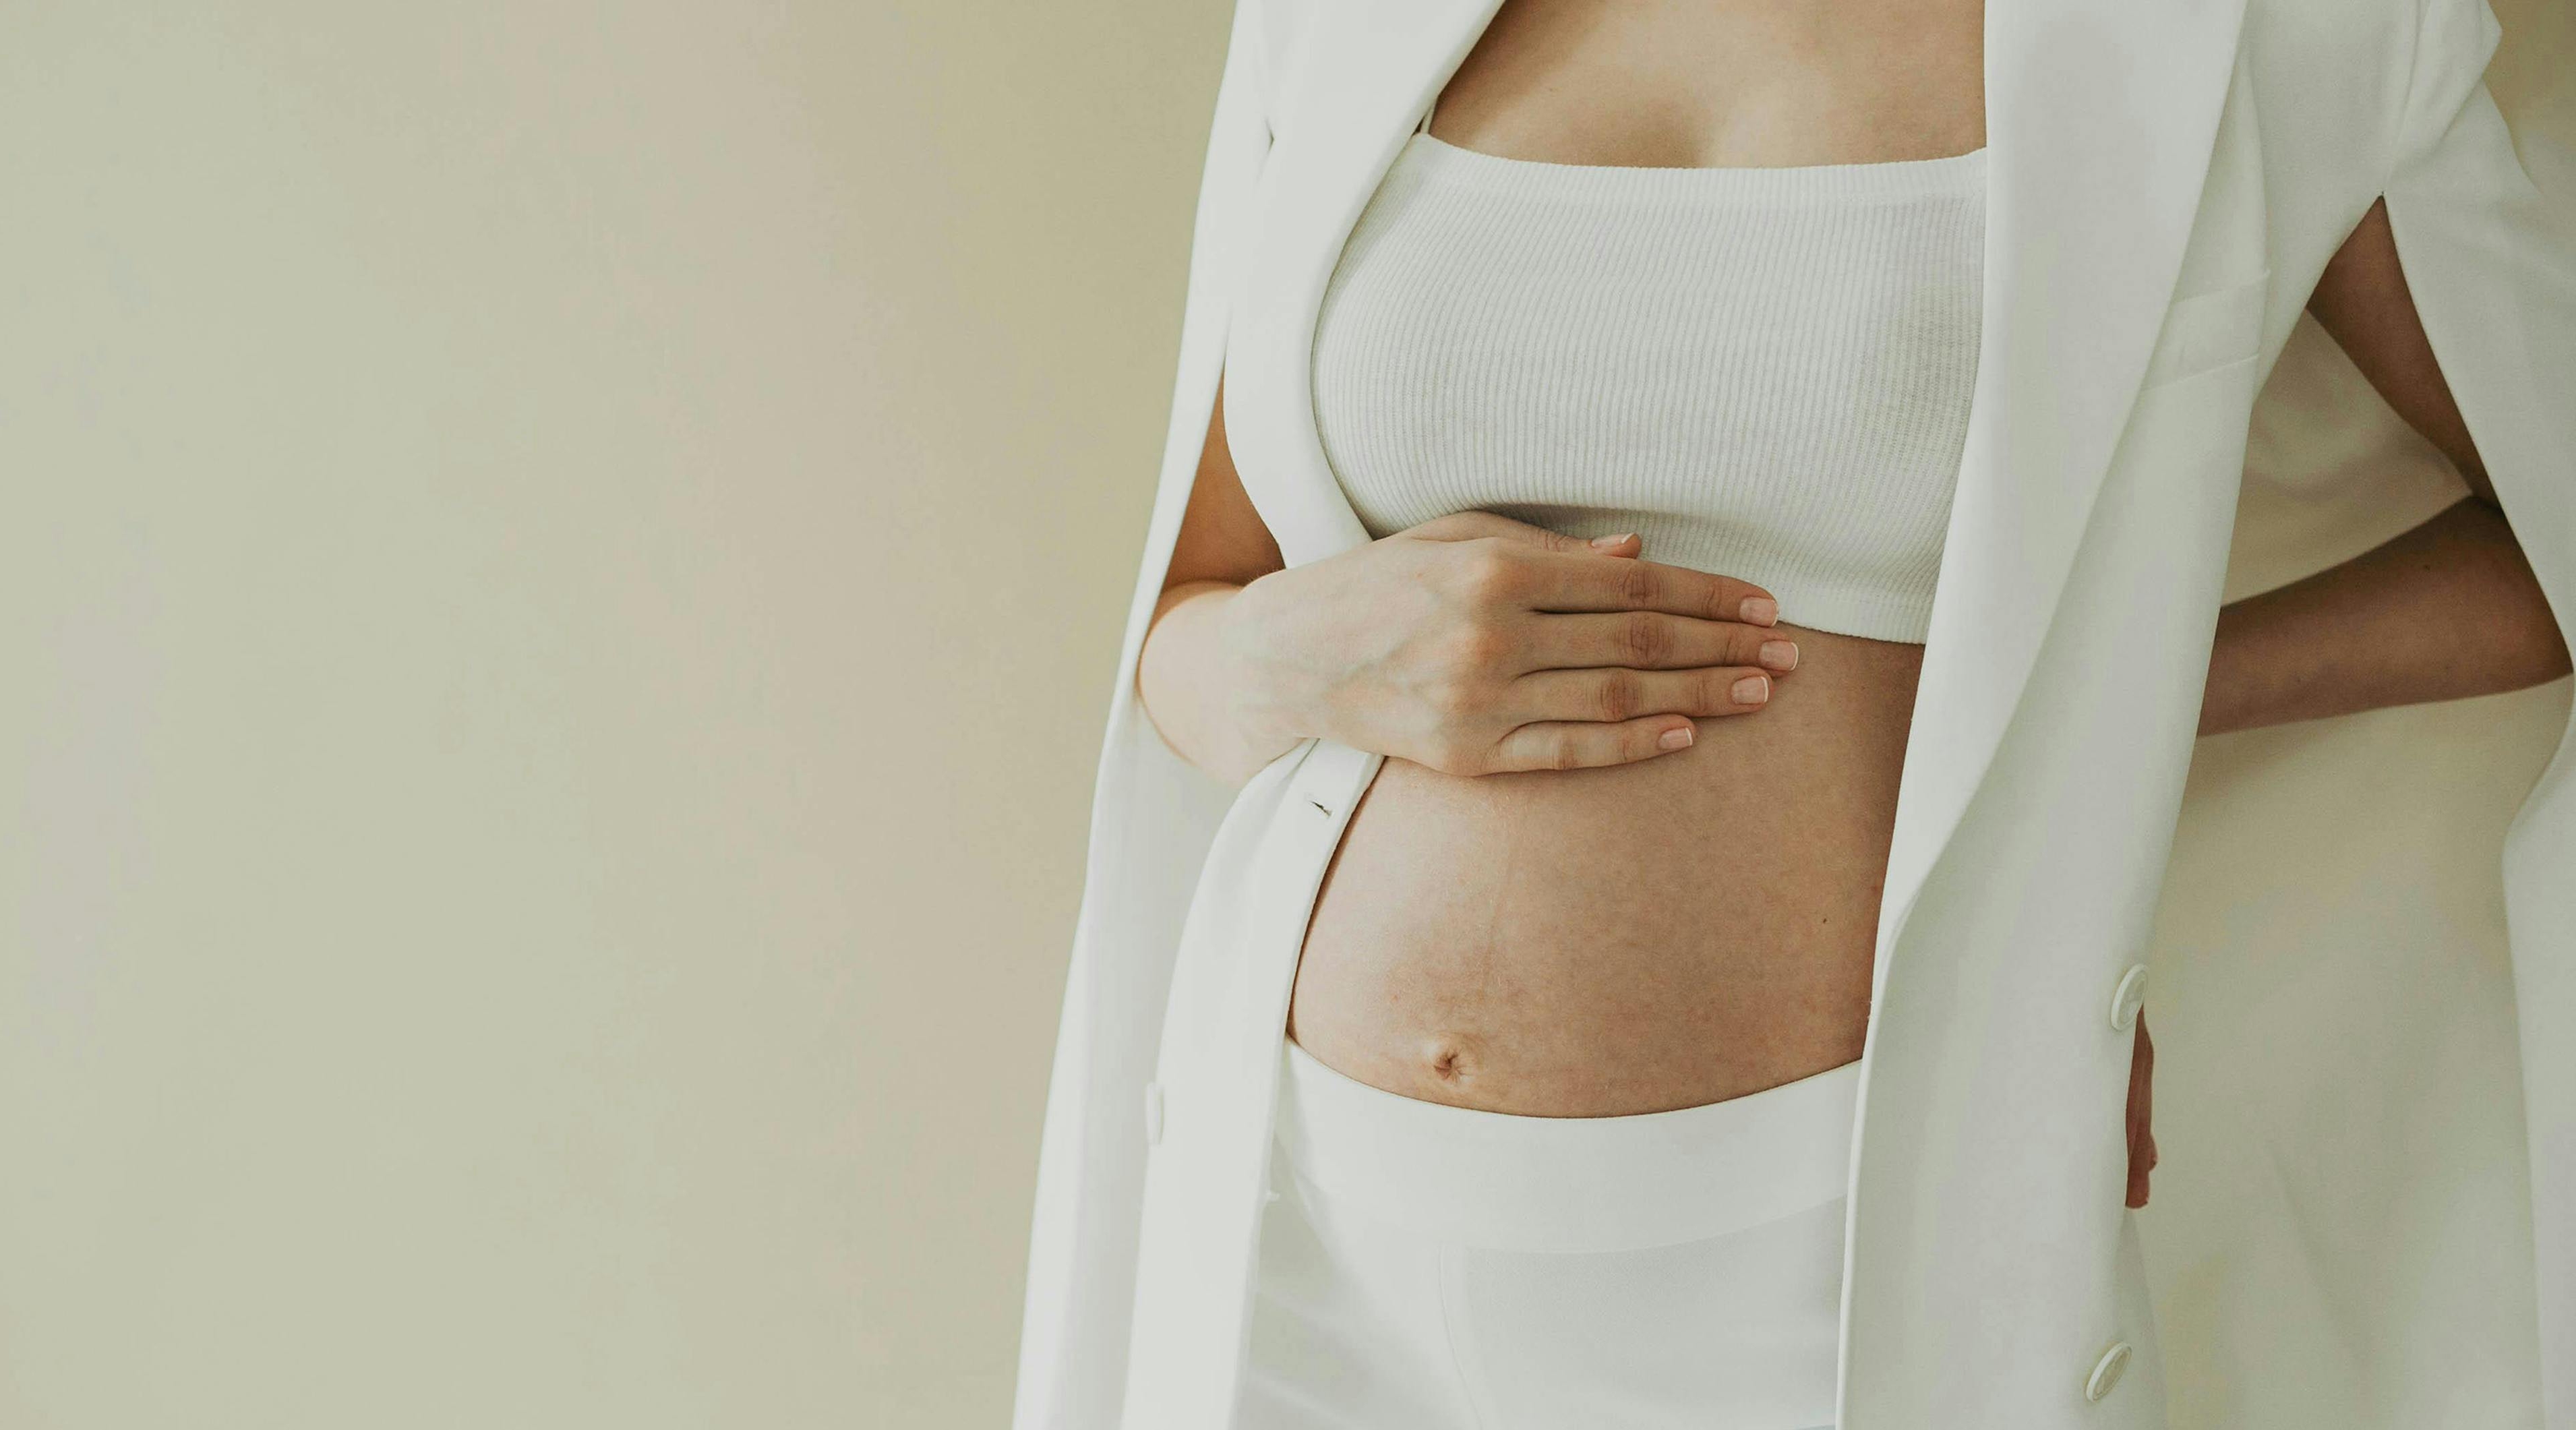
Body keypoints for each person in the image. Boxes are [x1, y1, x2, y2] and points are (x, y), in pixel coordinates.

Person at [1014, 0, 2576, 1425]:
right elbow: (1188, 620)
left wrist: (2085, 708)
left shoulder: (2266, 31)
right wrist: (1307, 654)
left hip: (1844, 1258)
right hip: (1303, 1227)